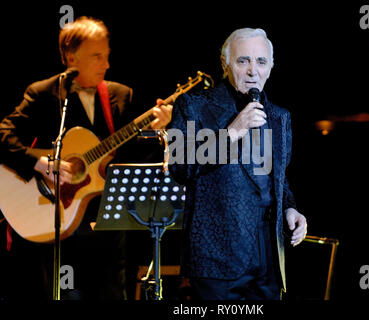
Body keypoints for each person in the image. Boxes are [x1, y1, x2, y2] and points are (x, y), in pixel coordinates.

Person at [0, 16, 172, 300]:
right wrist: (41, 162)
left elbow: (132, 158)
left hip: (106, 226)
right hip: (54, 219)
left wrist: (158, 130)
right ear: (71, 57)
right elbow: (4, 136)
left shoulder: (120, 95)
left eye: (107, 55)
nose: (106, 64)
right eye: (96, 56)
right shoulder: (44, 93)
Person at [169, 28, 307, 300]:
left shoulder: (280, 116)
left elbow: (277, 179)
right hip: (218, 257)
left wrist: (290, 208)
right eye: (243, 61)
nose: (252, 71)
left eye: (261, 62)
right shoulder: (193, 106)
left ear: (271, 67)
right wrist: (232, 132)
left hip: (268, 252)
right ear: (225, 64)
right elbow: (179, 165)